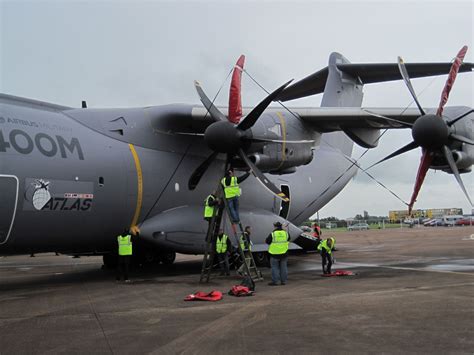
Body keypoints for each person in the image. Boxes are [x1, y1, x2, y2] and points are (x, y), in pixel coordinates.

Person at [266, 221, 290, 286]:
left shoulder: (273, 234)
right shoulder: (286, 233)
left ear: (275, 226)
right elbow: (288, 239)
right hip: (284, 253)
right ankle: (283, 281)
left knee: (274, 268)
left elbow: (267, 241)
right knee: (284, 267)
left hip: (274, 254)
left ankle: (275, 281)